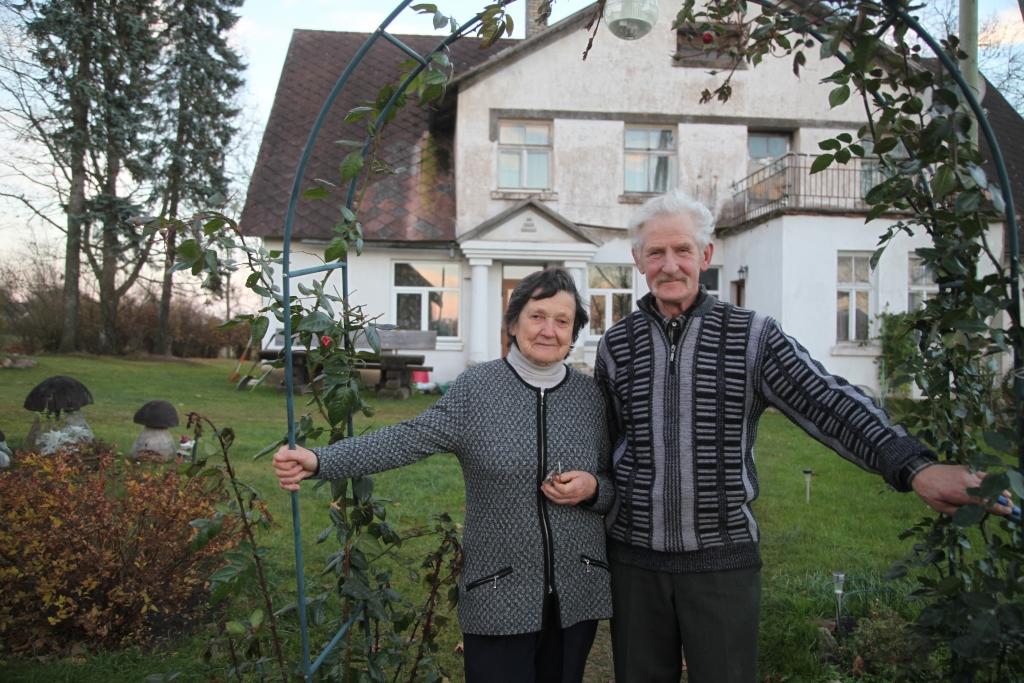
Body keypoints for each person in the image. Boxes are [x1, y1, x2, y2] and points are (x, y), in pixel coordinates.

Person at [594, 190, 1015, 683]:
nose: (670, 265)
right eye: (656, 252)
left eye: (682, 250)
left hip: (722, 564)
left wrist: (913, 466)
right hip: (633, 564)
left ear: (706, 256)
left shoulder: (753, 335)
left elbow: (827, 401)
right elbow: (603, 443)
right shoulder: (616, 345)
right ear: (638, 260)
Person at [273, 268, 613, 683]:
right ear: (512, 322)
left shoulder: (590, 397)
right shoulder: (477, 390)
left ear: (574, 331)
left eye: (562, 321)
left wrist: (594, 488)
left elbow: (614, 482)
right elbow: (407, 439)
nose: (549, 330)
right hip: (499, 590)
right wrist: (320, 460)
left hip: (577, 593)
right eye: (537, 316)